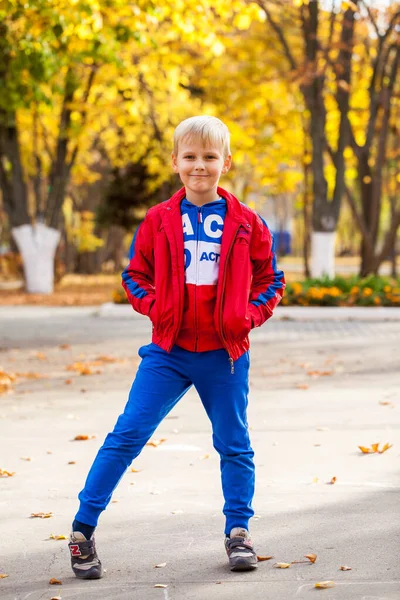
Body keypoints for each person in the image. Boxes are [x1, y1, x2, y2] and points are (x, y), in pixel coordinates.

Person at [68, 115, 285, 578]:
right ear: (176, 162)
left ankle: (239, 532)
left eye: (209, 157)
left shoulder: (247, 223)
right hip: (168, 352)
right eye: (190, 157)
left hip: (224, 355)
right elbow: (134, 275)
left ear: (226, 162)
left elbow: (271, 280)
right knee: (127, 435)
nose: (199, 166)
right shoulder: (159, 220)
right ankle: (82, 531)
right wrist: (156, 308)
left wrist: (246, 317)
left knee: (234, 443)